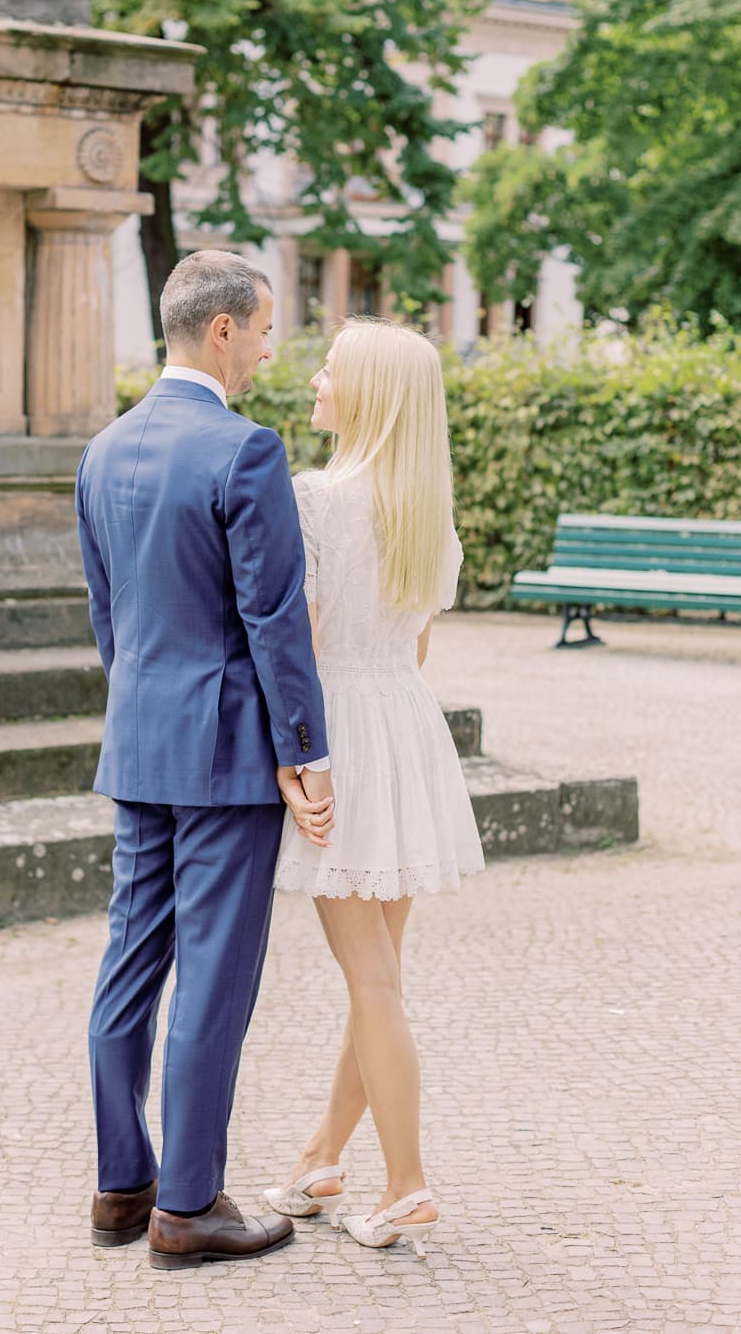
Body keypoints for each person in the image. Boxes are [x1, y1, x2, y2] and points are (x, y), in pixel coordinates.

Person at [76, 249, 335, 1271]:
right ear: (221, 331)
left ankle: (118, 1184)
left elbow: (109, 618)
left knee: (128, 968)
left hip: (139, 743)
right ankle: (187, 1206)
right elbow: (273, 617)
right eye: (266, 329)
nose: (271, 348)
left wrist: (144, 707)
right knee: (214, 983)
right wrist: (302, 750)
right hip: (227, 754)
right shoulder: (245, 450)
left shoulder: (102, 450)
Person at [267, 318, 485, 1258]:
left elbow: (301, 651)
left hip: (345, 736)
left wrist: (295, 756)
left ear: (368, 394)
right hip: (407, 729)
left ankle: (405, 1184)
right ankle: (322, 1154)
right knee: (379, 981)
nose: (316, 378)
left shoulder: (316, 497)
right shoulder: (428, 515)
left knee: (372, 983)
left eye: (331, 368)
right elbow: (419, 646)